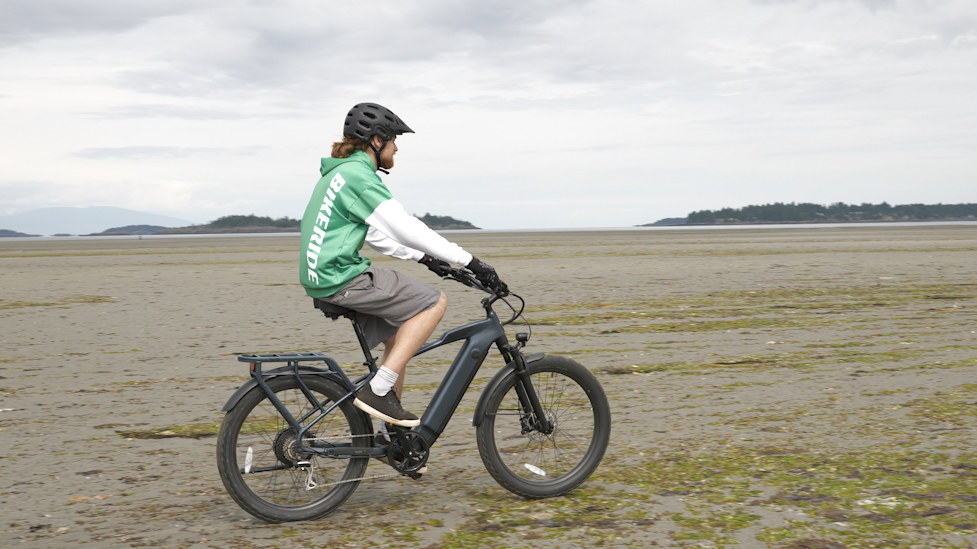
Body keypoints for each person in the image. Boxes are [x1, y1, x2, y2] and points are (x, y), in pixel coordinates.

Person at [299, 102, 506, 435]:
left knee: (398, 344)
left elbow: (381, 235)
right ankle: (378, 391)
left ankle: (391, 436)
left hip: (322, 277)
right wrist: (471, 262)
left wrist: (425, 259)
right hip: (340, 275)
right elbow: (406, 228)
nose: (397, 147)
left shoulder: (340, 173)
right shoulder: (360, 177)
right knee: (434, 302)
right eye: (394, 139)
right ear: (376, 141)